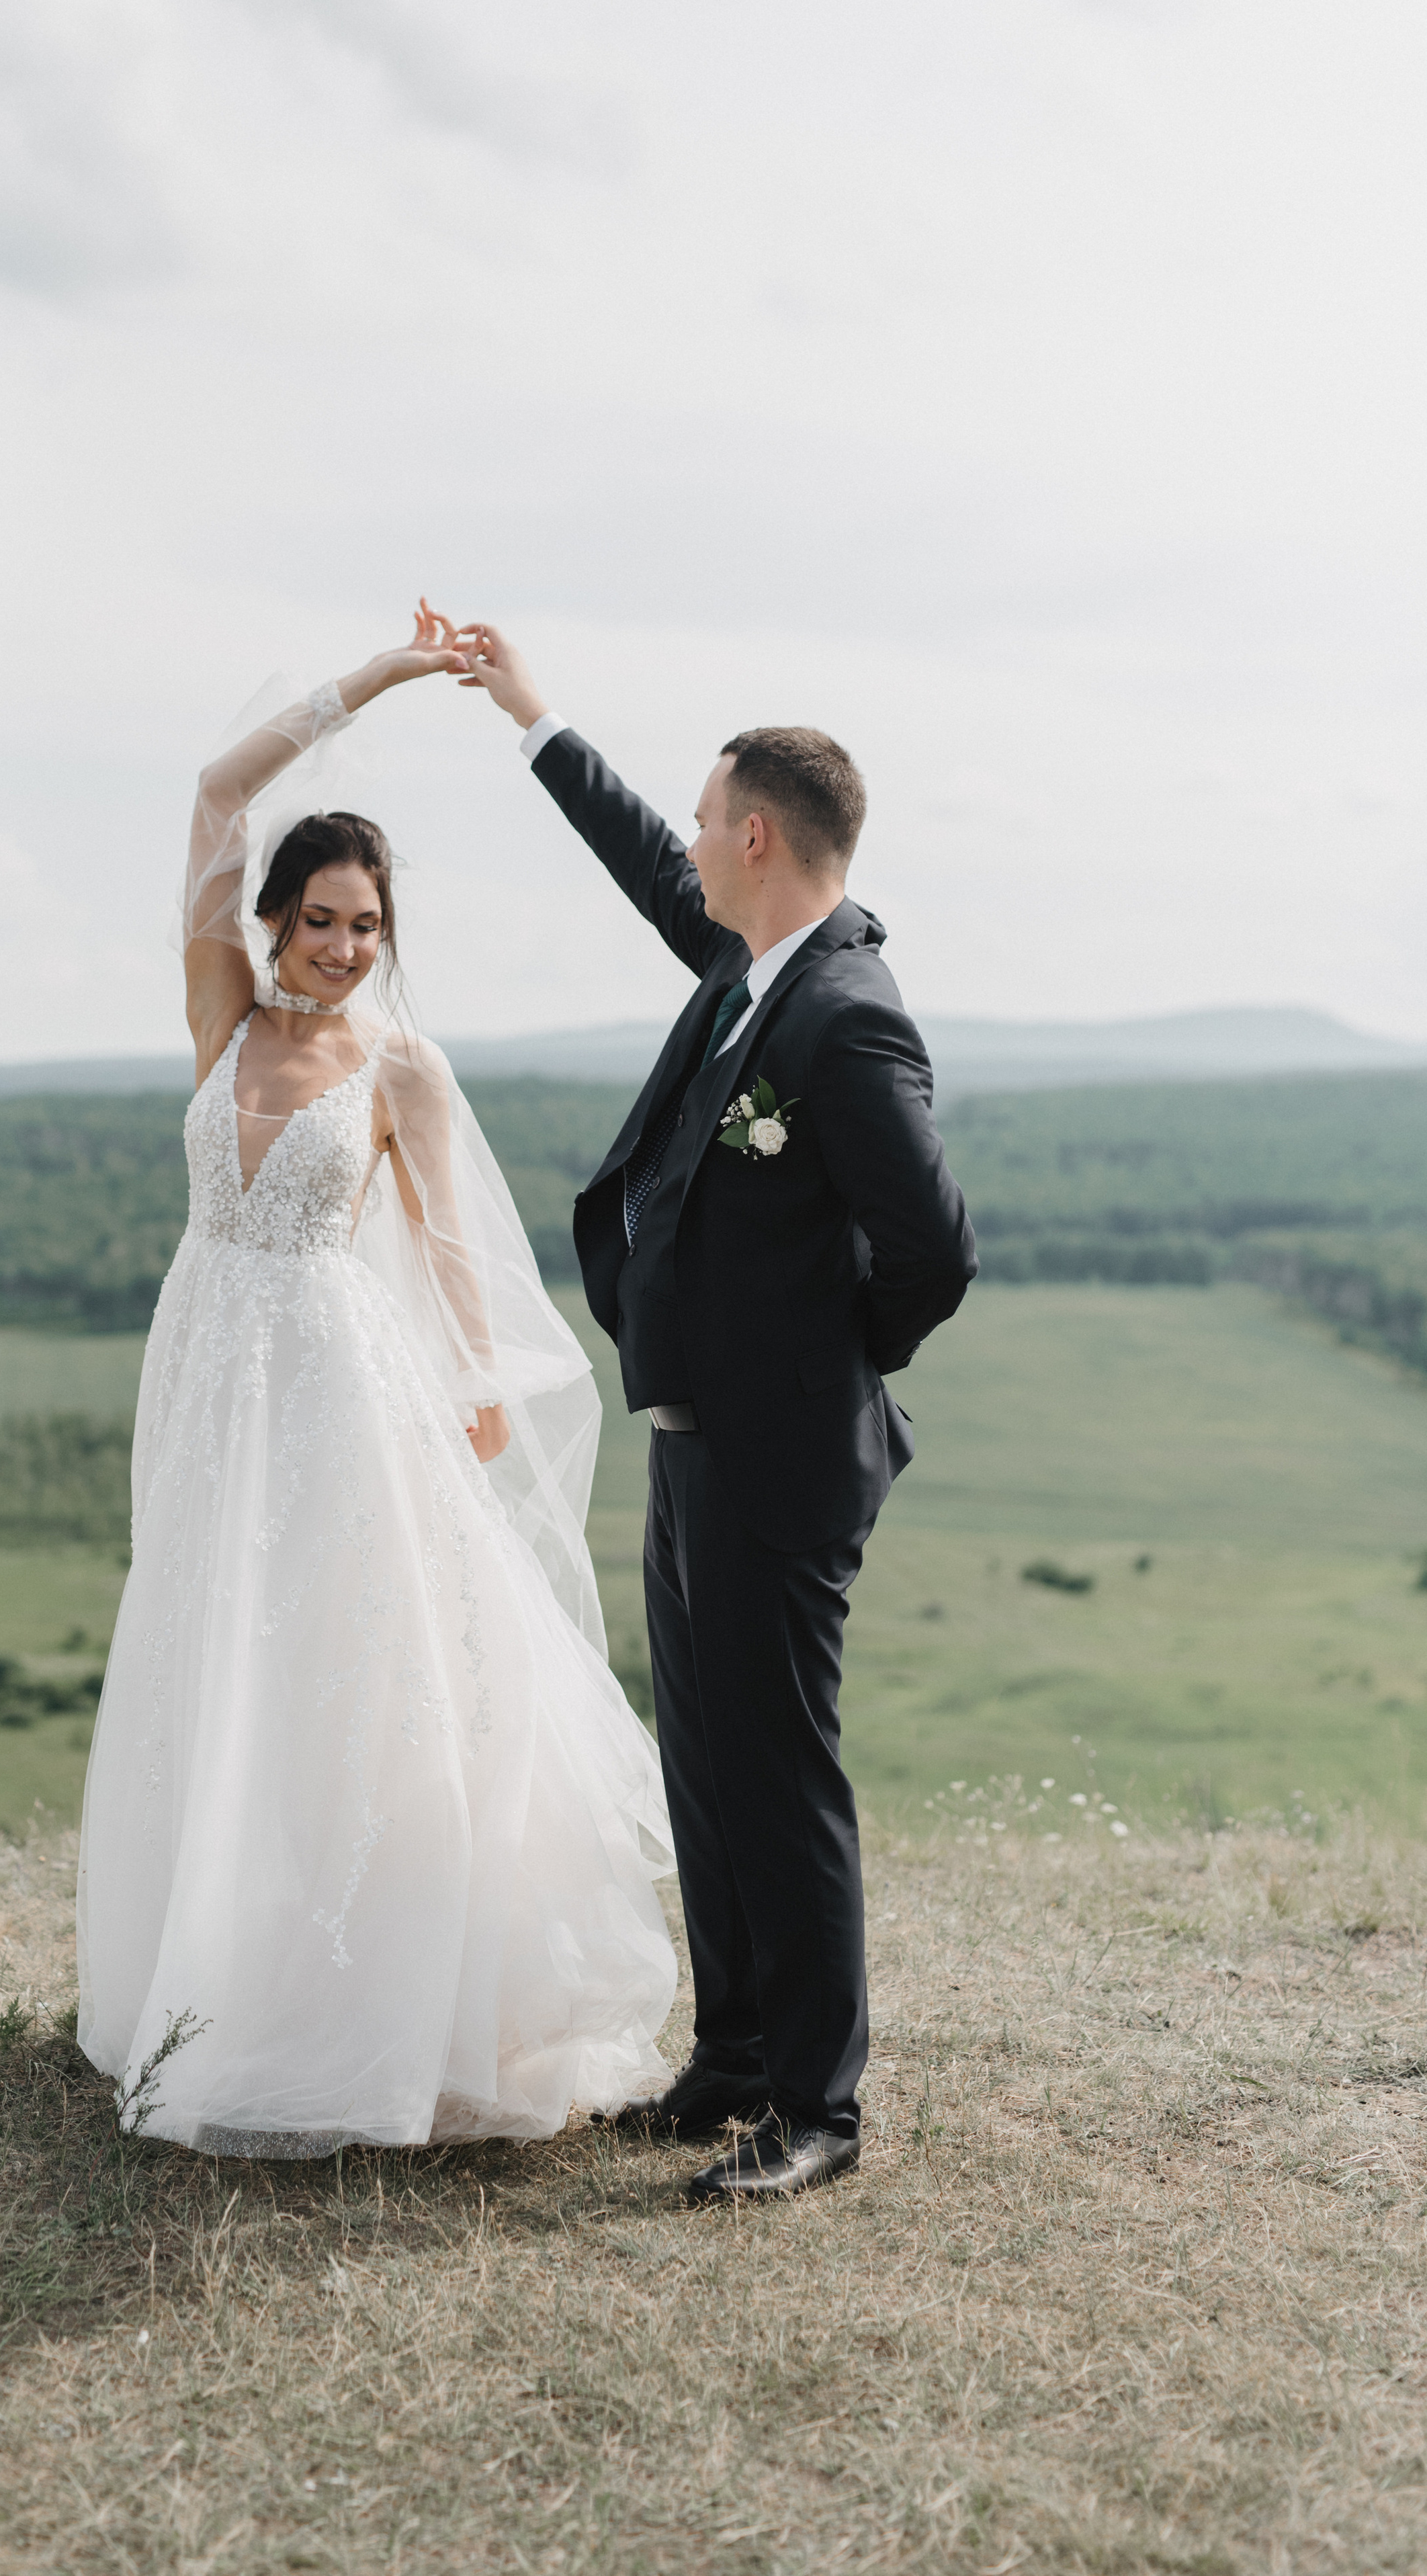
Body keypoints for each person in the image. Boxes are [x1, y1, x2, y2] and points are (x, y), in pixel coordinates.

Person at [76, 606, 677, 2156]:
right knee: (218, 1655)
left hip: (342, 1384)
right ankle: (217, 1980)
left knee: (355, 1674)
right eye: (321, 920)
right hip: (212, 1369)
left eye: (366, 927)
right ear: (270, 921)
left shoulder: (398, 1066)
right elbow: (217, 794)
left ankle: (379, 1997)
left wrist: (478, 1373)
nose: (344, 948)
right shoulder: (220, 1019)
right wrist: (384, 681)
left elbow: (455, 1246)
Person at [457, 622, 977, 2202]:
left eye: (702, 820)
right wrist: (532, 717)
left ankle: (816, 2107)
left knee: (780, 1774)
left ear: (756, 835)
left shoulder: (843, 1015)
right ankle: (733, 2060)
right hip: (689, 1454)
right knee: (704, 1765)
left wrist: (819, 1368)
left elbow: (934, 1252)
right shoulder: (749, 974)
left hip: (775, 1457)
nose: (686, 842)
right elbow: (641, 864)